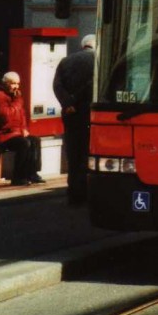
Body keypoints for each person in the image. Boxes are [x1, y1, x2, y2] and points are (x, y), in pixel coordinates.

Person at [53, 34, 95, 205]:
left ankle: (73, 194)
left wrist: (67, 103)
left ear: (82, 45)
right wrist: (76, 99)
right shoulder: (98, 60)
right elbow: (93, 84)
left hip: (70, 114)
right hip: (88, 112)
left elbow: (56, 85)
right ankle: (84, 192)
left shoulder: (66, 61)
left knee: (73, 152)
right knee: (87, 152)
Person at [0, 72, 44, 186]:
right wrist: (18, 101)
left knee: (35, 140)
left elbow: (22, 116)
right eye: (13, 84)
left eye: (17, 84)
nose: (16, 87)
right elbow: (6, 116)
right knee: (23, 143)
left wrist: (24, 129)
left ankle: (32, 172)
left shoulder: (13, 97)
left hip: (11, 133)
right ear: (5, 83)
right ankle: (18, 176)